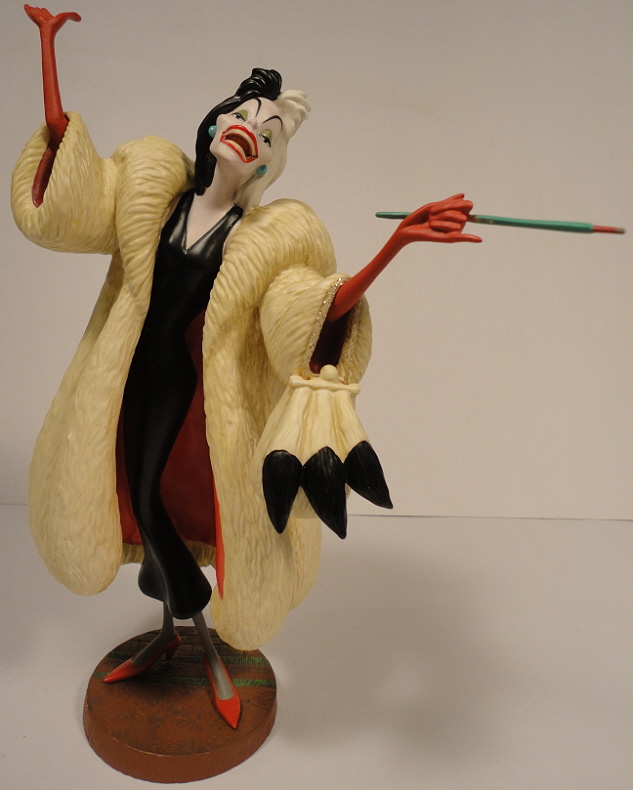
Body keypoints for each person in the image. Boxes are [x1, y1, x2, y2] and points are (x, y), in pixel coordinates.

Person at [12, 6, 480, 728]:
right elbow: (68, 179)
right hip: (121, 379)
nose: (249, 130)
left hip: (183, 385)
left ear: (265, 164)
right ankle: (170, 633)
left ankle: (201, 638)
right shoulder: (150, 194)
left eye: (268, 133)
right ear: (212, 125)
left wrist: (394, 248)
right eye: (241, 115)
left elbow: (310, 308)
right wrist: (47, 45)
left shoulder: (260, 238)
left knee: (153, 498)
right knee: (129, 497)